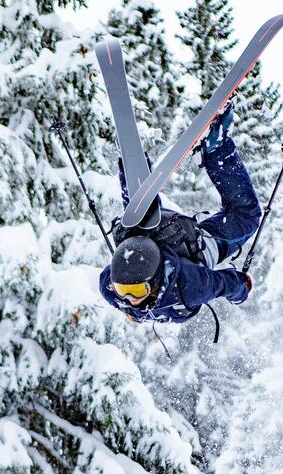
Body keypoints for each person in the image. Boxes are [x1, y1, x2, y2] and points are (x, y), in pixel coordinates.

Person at [99, 102, 260, 325]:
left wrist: (241, 290)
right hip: (159, 236)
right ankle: (139, 165)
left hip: (186, 245)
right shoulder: (112, 290)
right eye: (123, 290)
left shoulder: (191, 286)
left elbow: (227, 284)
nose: (129, 298)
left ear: (153, 283)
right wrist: (242, 288)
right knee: (140, 214)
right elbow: (229, 284)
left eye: (135, 290)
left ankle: (214, 149)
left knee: (246, 216)